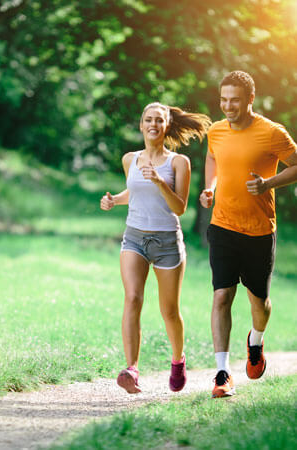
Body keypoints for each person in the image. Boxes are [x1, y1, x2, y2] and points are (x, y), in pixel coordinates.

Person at [101, 102, 211, 393]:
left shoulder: (179, 163)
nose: (153, 124)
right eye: (148, 119)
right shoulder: (130, 159)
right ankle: (132, 369)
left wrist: (161, 181)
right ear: (141, 125)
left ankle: (177, 361)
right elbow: (135, 192)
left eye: (159, 120)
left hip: (166, 242)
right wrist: (115, 200)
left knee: (169, 311)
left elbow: (180, 207)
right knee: (133, 298)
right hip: (134, 237)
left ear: (166, 126)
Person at [199, 70, 297, 398]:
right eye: (224, 100)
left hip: (258, 230)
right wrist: (209, 188)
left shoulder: (272, 133)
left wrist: (268, 184)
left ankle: (255, 341)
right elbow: (212, 157)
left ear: (250, 100)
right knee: (222, 295)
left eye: (235, 101)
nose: (228, 106)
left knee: (260, 302)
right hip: (223, 225)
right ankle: (222, 373)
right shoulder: (216, 131)